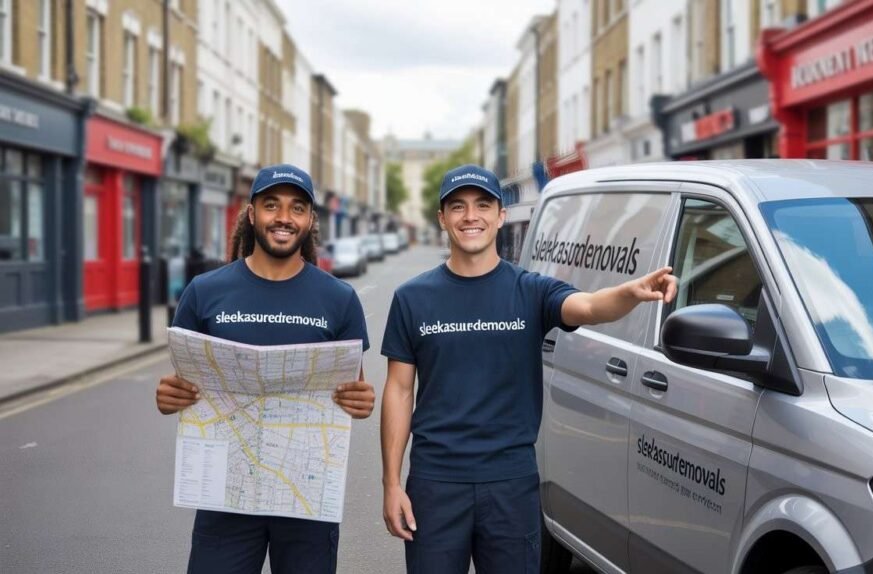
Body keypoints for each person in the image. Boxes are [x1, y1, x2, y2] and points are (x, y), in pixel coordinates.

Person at [380, 164, 677, 574]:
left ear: (501, 216)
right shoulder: (412, 298)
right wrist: (392, 484)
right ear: (442, 218)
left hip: (510, 483)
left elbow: (589, 306)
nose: (471, 216)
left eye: (483, 205)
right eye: (458, 207)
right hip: (436, 483)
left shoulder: (531, 290)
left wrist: (630, 293)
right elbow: (398, 390)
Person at [155, 163, 376, 574]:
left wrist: (362, 401)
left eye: (296, 208)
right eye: (271, 205)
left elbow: (354, 390)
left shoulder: (339, 298)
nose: (283, 218)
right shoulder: (204, 292)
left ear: (310, 220)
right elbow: (182, 386)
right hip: (225, 495)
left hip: (308, 496)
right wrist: (169, 396)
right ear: (252, 213)